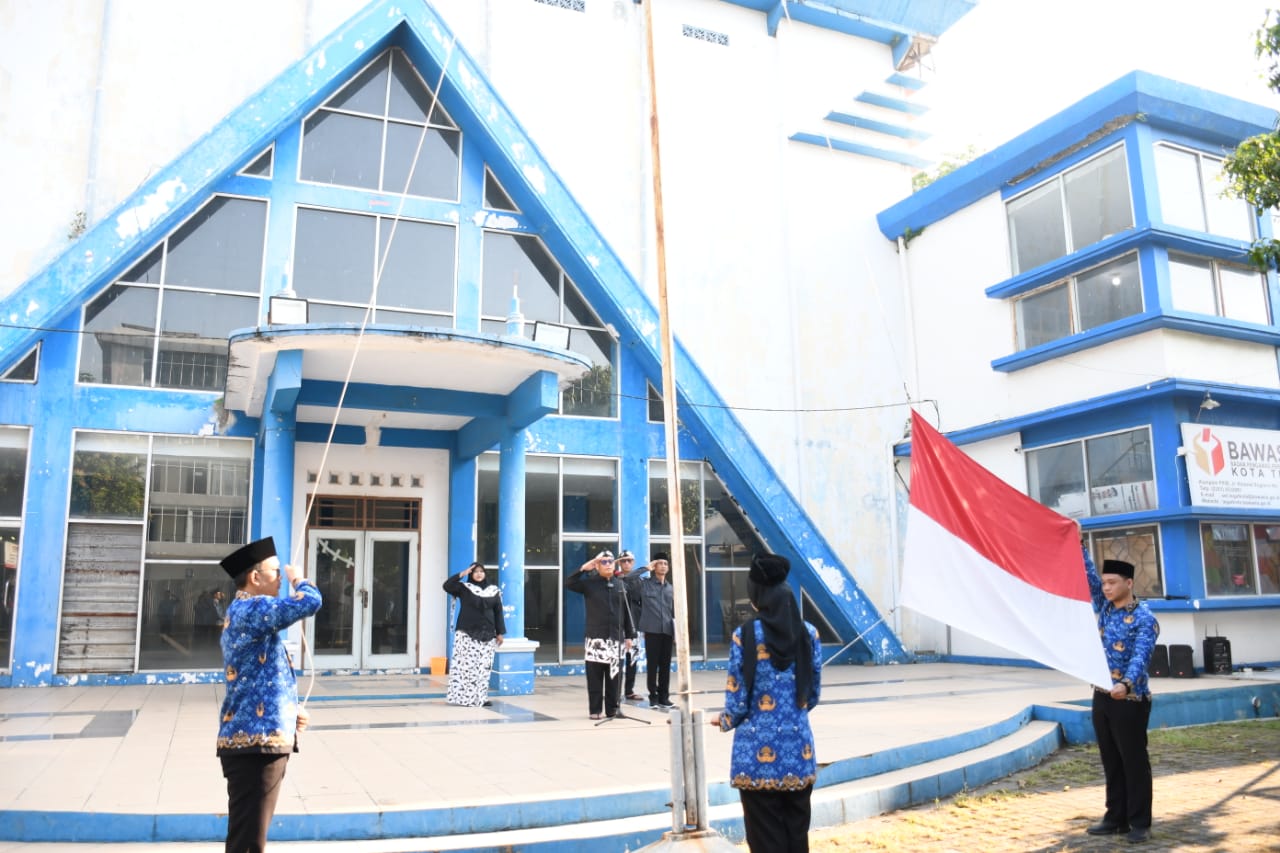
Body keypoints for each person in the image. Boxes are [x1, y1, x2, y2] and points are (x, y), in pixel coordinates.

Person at [216, 536, 322, 853]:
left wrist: (289, 711)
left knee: (249, 836)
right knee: (248, 842)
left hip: (255, 742)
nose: (281, 578)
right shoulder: (252, 607)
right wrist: (299, 579)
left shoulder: (244, 611)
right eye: (276, 572)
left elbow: (260, 675)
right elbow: (310, 602)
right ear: (255, 577)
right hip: (255, 745)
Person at [710, 553, 822, 852]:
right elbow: (812, 694)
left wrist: (725, 719)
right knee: (796, 835)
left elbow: (738, 698)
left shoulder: (745, 635)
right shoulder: (809, 634)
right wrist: (792, 713)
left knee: (764, 838)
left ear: (757, 593)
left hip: (755, 755)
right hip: (799, 750)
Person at [1082, 548, 1160, 845]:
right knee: (1111, 760)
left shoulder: (1144, 618)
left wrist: (1126, 684)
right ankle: (1115, 817)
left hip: (1129, 700)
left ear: (1129, 583)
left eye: (1112, 582)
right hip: (1102, 696)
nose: (1106, 588)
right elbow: (1090, 579)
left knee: (1134, 762)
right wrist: (1079, 545)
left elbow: (1141, 656)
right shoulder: (1106, 607)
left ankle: (1139, 822)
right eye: (1105, 583)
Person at [564, 550, 636, 720]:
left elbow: (627, 612)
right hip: (595, 639)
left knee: (615, 677)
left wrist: (629, 636)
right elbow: (569, 583)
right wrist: (584, 568)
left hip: (616, 639)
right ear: (597, 565)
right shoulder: (589, 584)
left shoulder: (621, 585)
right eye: (603, 562)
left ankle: (613, 709)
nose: (608, 564)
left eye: (610, 561)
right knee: (595, 678)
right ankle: (595, 710)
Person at [442, 561, 505, 707]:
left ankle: (481, 698)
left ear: (485, 574)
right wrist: (462, 574)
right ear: (471, 574)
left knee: (483, 668)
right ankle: (465, 698)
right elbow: (447, 586)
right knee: (467, 668)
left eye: (481, 571)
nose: (479, 574)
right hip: (467, 633)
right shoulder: (464, 588)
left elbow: (498, 612)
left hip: (488, 634)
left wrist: (500, 633)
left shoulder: (493, 590)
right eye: (475, 571)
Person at [624, 550, 675, 709]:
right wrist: (646, 568)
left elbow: (674, 610)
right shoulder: (644, 584)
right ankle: (653, 697)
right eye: (660, 563)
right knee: (652, 666)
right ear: (654, 566)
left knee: (665, 666)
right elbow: (627, 578)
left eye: (665, 564)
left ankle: (664, 697)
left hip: (668, 631)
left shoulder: (670, 588)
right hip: (652, 631)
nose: (663, 566)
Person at [614, 550, 643, 701]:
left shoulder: (640, 581)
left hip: (634, 625)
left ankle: (629, 690)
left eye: (629, 560)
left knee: (632, 660)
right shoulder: (615, 579)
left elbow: (644, 603)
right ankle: (615, 691)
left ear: (633, 562)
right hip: (618, 625)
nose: (626, 563)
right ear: (619, 563)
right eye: (623, 560)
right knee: (616, 660)